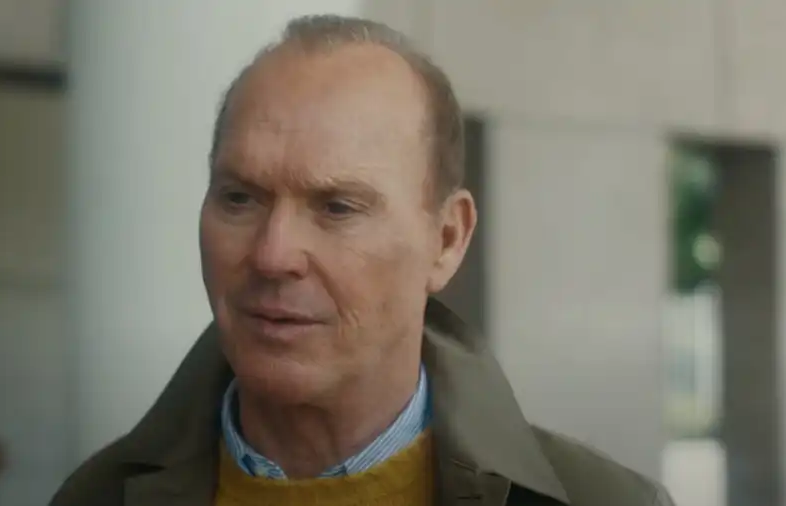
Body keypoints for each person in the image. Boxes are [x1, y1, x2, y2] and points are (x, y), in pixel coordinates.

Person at [51, 14, 675, 506]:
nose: (273, 254)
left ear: (447, 239)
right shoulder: (95, 497)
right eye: (240, 198)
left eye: (337, 208)